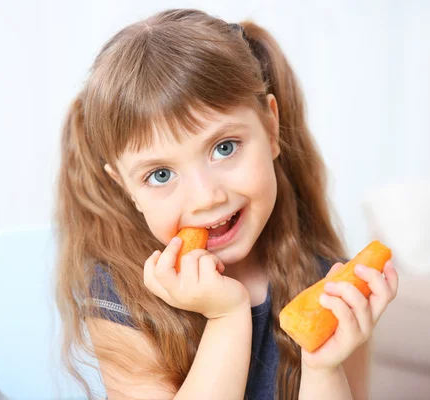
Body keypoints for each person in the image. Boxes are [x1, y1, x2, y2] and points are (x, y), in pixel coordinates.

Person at [54, 8, 398, 400]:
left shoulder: (323, 283)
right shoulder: (123, 295)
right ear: (125, 186)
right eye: (161, 174)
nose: (206, 196)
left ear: (270, 128)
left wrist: (322, 368)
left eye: (224, 148)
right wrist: (227, 316)